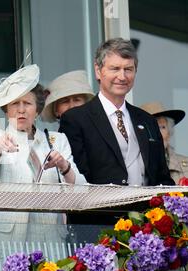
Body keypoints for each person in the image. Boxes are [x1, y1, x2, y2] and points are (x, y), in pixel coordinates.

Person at [59, 38, 174, 226]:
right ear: (98, 71)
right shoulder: (76, 119)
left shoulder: (147, 120)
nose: (122, 76)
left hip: (146, 229)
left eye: (128, 69)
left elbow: (162, 177)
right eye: (115, 69)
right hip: (97, 228)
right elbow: (78, 179)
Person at [0, 64, 86, 250]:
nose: (21, 110)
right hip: (4, 240)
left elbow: (80, 186)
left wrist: (63, 165)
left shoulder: (57, 140)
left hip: (49, 241)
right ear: (6, 110)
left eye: (27, 104)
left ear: (37, 110)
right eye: (14, 104)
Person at [140, 102, 188, 184]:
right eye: (153, 127)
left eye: (162, 127)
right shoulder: (133, 164)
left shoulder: (185, 166)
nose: (158, 133)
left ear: (169, 132)